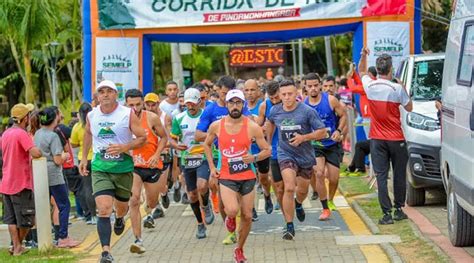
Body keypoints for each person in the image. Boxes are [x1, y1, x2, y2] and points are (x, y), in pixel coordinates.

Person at [78, 80, 147, 263]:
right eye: (102, 91)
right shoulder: (92, 116)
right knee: (103, 208)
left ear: (116, 94)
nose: (106, 94)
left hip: (123, 168)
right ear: (97, 96)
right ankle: (106, 252)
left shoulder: (127, 114)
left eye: (110, 91)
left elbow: (142, 138)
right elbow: (87, 134)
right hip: (101, 168)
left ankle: (120, 218)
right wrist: (84, 158)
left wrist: (124, 147)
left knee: (122, 207)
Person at [203, 89, 271, 263]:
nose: (235, 106)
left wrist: (254, 157)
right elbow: (207, 145)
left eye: (238, 103)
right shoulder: (216, 126)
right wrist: (212, 167)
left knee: (247, 216)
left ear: (243, 105)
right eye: (231, 103)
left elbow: (267, 150)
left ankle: (239, 249)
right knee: (232, 210)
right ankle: (230, 221)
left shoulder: (252, 126)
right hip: (226, 175)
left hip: (247, 175)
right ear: (226, 105)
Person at [266, 79, 327, 240]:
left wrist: (304, 137)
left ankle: (299, 204)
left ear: (297, 93)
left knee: (302, 191)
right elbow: (270, 124)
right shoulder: (275, 111)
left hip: (305, 156)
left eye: (290, 94)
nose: (287, 97)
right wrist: (267, 143)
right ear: (279, 95)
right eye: (284, 94)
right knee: (289, 188)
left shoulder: (307, 111)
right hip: (285, 154)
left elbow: (322, 132)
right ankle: (289, 225)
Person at [359, 48, 413, 225]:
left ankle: (386, 214)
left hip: (377, 138)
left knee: (381, 175)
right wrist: (402, 84)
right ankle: (398, 209)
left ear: (377, 70)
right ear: (390, 70)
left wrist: (363, 56)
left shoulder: (370, 85)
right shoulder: (396, 88)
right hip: (396, 138)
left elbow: (361, 71)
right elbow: (409, 107)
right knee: (398, 174)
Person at [195, 75, 250, 245]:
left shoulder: (239, 106)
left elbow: (251, 125)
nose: (225, 97)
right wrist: (221, 132)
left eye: (228, 94)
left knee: (240, 200)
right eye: (222, 93)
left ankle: (238, 226)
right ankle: (229, 230)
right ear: (217, 90)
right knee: (214, 191)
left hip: (239, 158)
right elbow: (198, 135)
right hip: (218, 157)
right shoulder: (210, 110)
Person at [125, 89, 168, 254]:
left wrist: (157, 155)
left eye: (138, 104)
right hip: (133, 165)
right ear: (126, 104)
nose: (135, 108)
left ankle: (151, 210)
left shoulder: (152, 118)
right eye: (131, 105)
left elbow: (164, 137)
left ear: (143, 103)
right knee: (134, 200)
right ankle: (138, 240)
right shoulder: (123, 119)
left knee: (151, 202)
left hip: (152, 166)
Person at [169, 88, 214, 239]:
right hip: (187, 159)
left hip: (203, 156)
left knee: (202, 186)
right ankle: (200, 224)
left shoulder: (206, 116)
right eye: (188, 104)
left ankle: (206, 205)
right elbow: (173, 138)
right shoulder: (179, 118)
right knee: (192, 195)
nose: (191, 106)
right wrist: (175, 145)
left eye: (193, 103)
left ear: (200, 102)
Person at [35, 107, 81, 248]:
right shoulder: (53, 136)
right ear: (54, 118)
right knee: (64, 204)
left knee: (45, 205)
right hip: (54, 174)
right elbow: (57, 160)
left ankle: (44, 238)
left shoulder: (38, 133)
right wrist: (65, 156)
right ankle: (63, 237)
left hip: (40, 172)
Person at [303, 73, 347, 220]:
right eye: (310, 86)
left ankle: (331, 199)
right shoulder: (303, 105)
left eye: (316, 85)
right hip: (315, 145)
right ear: (305, 87)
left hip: (332, 144)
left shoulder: (330, 100)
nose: (313, 88)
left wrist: (339, 130)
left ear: (320, 85)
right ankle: (325, 208)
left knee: (334, 178)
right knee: (319, 173)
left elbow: (343, 116)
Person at [1, 103, 42, 256]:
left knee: (11, 219)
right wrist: (40, 150)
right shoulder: (21, 134)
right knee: (27, 219)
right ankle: (18, 247)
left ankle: (16, 246)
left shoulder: (5, 133)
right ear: (25, 118)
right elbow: (35, 152)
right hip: (21, 183)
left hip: (6, 182)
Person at [244, 79, 273, 218]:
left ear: (259, 91)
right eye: (247, 90)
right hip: (245, 151)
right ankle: (251, 208)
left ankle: (267, 196)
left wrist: (261, 131)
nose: (249, 93)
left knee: (263, 179)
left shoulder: (263, 106)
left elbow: (267, 127)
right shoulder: (238, 106)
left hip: (261, 149)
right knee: (249, 181)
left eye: (252, 90)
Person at [257, 81, 284, 211]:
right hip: (272, 146)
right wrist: (263, 127)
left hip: (288, 146)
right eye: (271, 98)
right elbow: (257, 127)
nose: (274, 101)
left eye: (276, 97)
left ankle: (283, 198)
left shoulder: (288, 102)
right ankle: (270, 197)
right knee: (272, 178)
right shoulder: (264, 106)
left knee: (288, 179)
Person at [143, 92, 172, 216]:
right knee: (147, 186)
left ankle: (164, 194)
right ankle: (152, 212)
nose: (150, 107)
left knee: (160, 186)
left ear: (158, 104)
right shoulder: (141, 117)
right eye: (147, 105)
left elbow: (169, 138)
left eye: (153, 105)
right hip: (147, 155)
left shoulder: (165, 117)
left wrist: (163, 148)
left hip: (163, 154)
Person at [71, 103, 97, 224]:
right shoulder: (96, 124)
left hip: (84, 160)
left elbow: (73, 144)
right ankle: (106, 213)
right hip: (98, 158)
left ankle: (92, 216)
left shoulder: (77, 127)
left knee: (88, 188)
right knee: (101, 187)